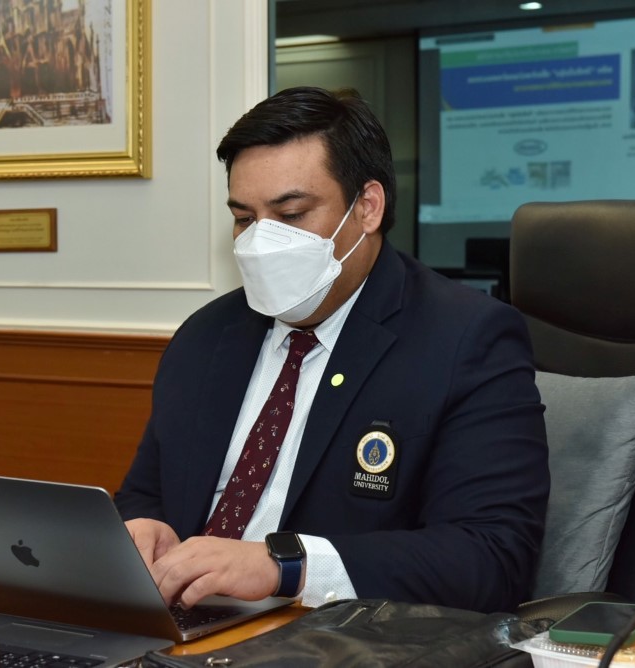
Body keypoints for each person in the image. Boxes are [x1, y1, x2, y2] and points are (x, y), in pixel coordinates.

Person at [115, 86, 549, 614]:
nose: (262, 242)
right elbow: (147, 494)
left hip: (334, 636)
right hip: (182, 626)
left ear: (367, 207)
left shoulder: (466, 338)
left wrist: (285, 567)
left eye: (292, 214)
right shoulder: (206, 336)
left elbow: (490, 558)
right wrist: (144, 529)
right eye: (245, 219)